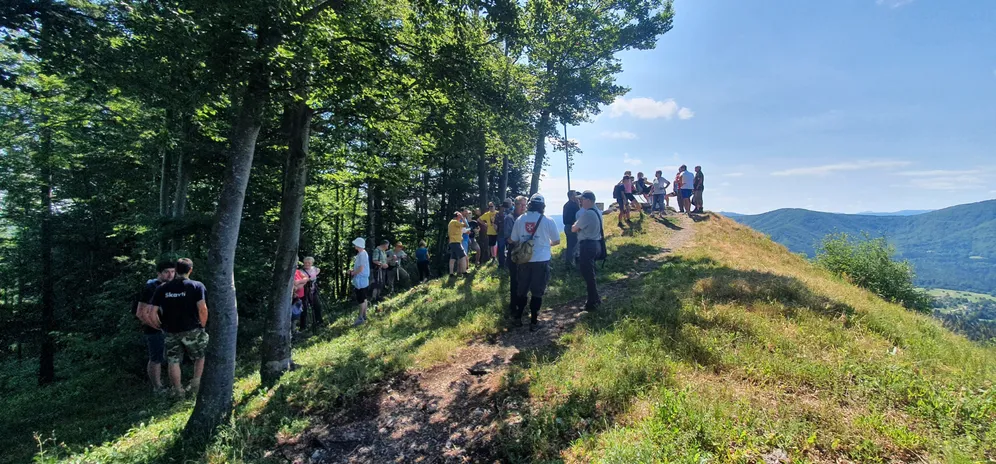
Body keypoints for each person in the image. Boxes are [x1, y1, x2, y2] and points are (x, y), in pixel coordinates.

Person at [148, 258, 208, 396]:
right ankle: (196, 384)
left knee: (173, 361)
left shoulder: (162, 288)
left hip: (170, 330)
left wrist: (160, 326)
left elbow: (151, 312)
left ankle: (178, 390)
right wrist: (202, 325)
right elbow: (202, 308)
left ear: (176, 270)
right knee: (200, 356)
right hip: (192, 328)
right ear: (190, 270)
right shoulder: (196, 286)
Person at [510, 194, 561, 332]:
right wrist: (545, 243)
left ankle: (518, 318)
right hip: (541, 260)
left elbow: (513, 239)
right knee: (537, 292)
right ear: (542, 206)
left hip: (524, 261)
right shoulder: (548, 220)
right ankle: (533, 321)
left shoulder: (520, 219)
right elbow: (557, 240)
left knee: (522, 290)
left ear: (530, 204)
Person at [135, 261, 175, 393]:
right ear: (159, 273)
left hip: (171, 327)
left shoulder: (173, 286)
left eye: (173, 272)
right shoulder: (150, 287)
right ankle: (157, 387)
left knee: (172, 357)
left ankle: (173, 385)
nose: (170, 275)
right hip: (154, 328)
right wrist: (156, 326)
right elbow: (140, 312)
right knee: (156, 357)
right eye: (166, 272)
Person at [572, 191, 603, 311]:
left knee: (588, 275)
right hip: (596, 244)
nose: (580, 201)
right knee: (590, 274)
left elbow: (574, 229)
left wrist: (576, 225)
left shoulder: (588, 214)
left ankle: (592, 302)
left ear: (589, 200)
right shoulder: (597, 212)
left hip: (587, 245)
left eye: (582, 199)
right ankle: (594, 299)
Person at [505, 196, 526, 316]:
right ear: (515, 205)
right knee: (515, 280)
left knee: (524, 279)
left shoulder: (525, 218)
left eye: (525, 205)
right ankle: (514, 306)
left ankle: (522, 304)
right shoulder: (510, 218)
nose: (523, 207)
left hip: (525, 252)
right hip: (514, 252)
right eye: (521, 205)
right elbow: (508, 238)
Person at [349, 238, 370, 326]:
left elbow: (361, 268)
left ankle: (360, 317)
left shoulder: (362, 254)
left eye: (355, 244)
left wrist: (353, 273)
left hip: (361, 279)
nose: (354, 246)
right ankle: (364, 316)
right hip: (363, 279)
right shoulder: (362, 253)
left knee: (361, 299)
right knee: (364, 298)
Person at [301, 256, 322, 329]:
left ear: (312, 263)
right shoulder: (301, 271)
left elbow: (318, 270)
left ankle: (319, 321)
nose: (307, 264)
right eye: (305, 263)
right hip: (305, 292)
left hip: (313, 290)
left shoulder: (314, 269)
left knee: (317, 306)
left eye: (309, 263)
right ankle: (303, 326)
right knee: (304, 308)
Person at [562, 190, 581, 268]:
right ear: (572, 196)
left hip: (566, 226)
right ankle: (571, 263)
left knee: (569, 245)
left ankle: (568, 262)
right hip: (573, 226)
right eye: (575, 195)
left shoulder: (566, 205)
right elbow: (578, 215)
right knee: (574, 246)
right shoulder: (574, 205)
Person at [448, 211, 469, 276]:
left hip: (452, 242)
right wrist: (462, 218)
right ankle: (464, 272)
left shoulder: (451, 222)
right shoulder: (455, 222)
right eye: (460, 216)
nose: (460, 218)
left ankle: (451, 273)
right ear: (458, 216)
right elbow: (466, 225)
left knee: (453, 258)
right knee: (463, 256)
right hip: (456, 242)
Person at [291, 264, 310, 330]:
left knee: (303, 311)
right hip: (294, 297)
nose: (297, 266)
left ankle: (302, 328)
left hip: (302, 296)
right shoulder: (289, 274)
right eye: (295, 265)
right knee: (294, 313)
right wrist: (302, 282)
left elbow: (307, 278)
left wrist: (299, 282)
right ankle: (293, 331)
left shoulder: (298, 271)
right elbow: (294, 286)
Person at [495, 200, 511, 268]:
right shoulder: (511, 212)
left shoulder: (499, 213)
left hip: (501, 233)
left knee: (501, 250)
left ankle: (501, 265)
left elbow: (495, 225)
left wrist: (497, 231)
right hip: (509, 233)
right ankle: (508, 264)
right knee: (510, 249)